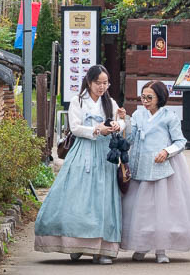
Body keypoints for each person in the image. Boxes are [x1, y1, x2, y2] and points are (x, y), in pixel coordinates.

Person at [34, 65, 125, 264]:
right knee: (76, 196)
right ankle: (73, 243)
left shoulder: (110, 102)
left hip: (104, 154)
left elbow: (121, 121)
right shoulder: (78, 101)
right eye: (98, 83)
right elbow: (74, 128)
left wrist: (119, 124)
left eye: (105, 83)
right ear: (89, 82)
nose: (102, 87)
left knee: (103, 198)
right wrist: (96, 130)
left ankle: (101, 250)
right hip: (83, 151)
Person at [121, 80, 190, 263]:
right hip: (140, 165)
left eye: (150, 97)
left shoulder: (169, 117)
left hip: (161, 167)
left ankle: (161, 249)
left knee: (162, 209)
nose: (145, 101)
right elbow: (130, 138)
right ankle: (140, 245)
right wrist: (124, 121)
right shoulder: (138, 114)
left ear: (160, 98)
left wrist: (167, 152)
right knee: (139, 209)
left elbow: (180, 141)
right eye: (143, 97)